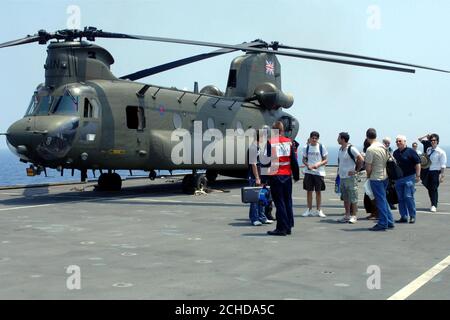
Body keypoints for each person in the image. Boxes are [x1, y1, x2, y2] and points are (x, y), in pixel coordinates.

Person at [265, 121, 300, 236]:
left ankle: (281, 228)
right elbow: (294, 161)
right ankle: (289, 226)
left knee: (279, 203)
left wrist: (264, 178)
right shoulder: (289, 142)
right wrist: (296, 175)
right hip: (287, 176)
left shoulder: (270, 142)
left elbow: (266, 162)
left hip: (276, 176)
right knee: (287, 201)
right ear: (282, 130)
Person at [365, 128, 395, 231]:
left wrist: (368, 176)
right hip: (385, 176)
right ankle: (390, 221)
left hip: (375, 177)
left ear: (367, 137)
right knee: (383, 200)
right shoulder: (383, 147)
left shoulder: (370, 149)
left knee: (380, 201)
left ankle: (383, 223)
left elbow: (368, 167)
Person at [336, 132, 364, 224]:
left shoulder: (351, 148)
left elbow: (361, 159)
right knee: (345, 197)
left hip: (350, 177)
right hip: (342, 177)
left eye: (339, 138)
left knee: (353, 197)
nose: (337, 139)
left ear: (343, 139)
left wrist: (356, 171)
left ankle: (354, 216)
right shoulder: (341, 149)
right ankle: (347, 215)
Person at [393, 135, 421, 224]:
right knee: (400, 198)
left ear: (405, 142)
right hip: (398, 179)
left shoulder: (411, 151)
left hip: (409, 177)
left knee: (408, 197)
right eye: (397, 141)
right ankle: (404, 216)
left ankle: (412, 216)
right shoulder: (395, 153)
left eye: (400, 141)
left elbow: (418, 163)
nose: (398, 143)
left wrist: (418, 175)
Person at [247, 130, 272, 226]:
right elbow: (253, 164)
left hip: (261, 176)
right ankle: (254, 218)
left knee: (262, 197)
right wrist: (257, 177)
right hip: (254, 176)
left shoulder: (258, 148)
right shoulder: (253, 148)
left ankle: (262, 217)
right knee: (254, 198)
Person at [301, 131, 328, 218]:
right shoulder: (306, 147)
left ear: (318, 139)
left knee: (318, 191)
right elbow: (304, 159)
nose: (314, 140)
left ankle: (319, 210)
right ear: (310, 138)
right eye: (313, 138)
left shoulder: (321, 147)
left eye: (316, 138)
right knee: (309, 191)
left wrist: (318, 165)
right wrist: (308, 165)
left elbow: (325, 160)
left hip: (319, 172)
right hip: (309, 172)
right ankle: (309, 209)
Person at [422, 133, 447, 212]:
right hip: (427, 171)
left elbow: (443, 165)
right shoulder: (428, 149)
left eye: (434, 140)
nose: (432, 141)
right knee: (429, 188)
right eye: (431, 140)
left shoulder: (441, 152)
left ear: (437, 141)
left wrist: (442, 175)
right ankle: (434, 200)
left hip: (435, 172)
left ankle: (434, 205)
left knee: (433, 189)